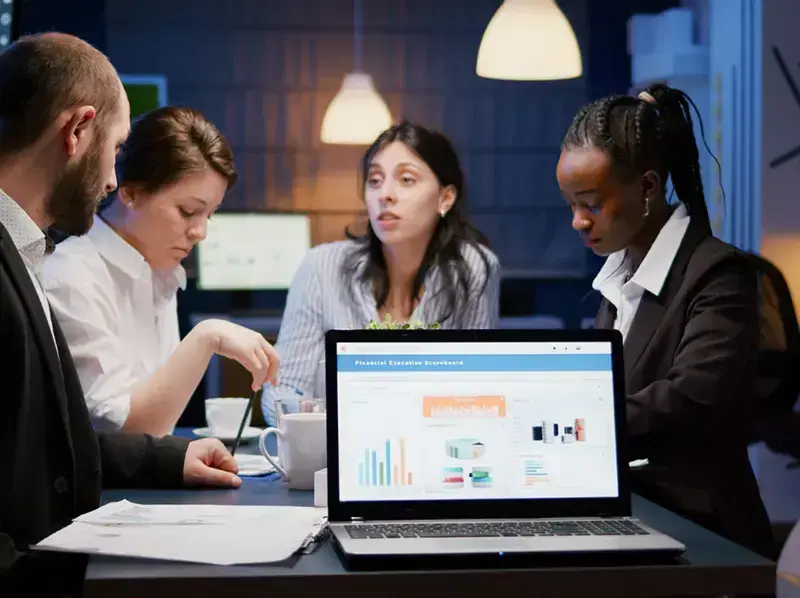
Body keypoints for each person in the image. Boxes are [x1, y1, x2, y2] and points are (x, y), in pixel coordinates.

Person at [0, 33, 245, 596]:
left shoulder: (27, 252)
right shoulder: (46, 264)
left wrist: (168, 460)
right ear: (77, 131)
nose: (112, 180)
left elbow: (59, 437)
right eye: (113, 149)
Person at [556, 83, 773, 557]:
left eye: (591, 204)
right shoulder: (619, 275)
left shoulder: (720, 274)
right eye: (571, 204)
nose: (578, 221)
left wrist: (572, 421)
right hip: (639, 515)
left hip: (704, 533)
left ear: (648, 187)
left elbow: (691, 398)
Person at [42, 106, 279, 437]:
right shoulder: (70, 277)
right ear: (131, 193)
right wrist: (206, 337)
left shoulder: (160, 272)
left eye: (208, 215)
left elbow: (156, 435)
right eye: (188, 211)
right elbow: (120, 437)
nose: (201, 232)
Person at [262, 121, 500, 423]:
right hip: (329, 457)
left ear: (445, 198)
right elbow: (282, 391)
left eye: (406, 179)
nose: (385, 194)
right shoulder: (321, 267)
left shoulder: (474, 268)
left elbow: (481, 387)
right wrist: (332, 426)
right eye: (375, 180)